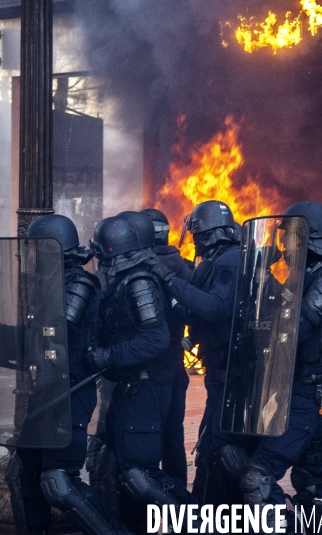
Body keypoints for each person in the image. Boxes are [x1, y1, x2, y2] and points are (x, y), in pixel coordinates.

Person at [211, 201, 322, 533]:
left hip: (310, 393)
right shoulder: (301, 273)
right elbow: (276, 315)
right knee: (303, 480)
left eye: (288, 237)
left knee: (258, 478)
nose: (282, 244)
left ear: (310, 236)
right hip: (288, 387)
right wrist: (262, 278)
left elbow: (297, 328)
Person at [5, 214, 129, 535]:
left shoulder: (79, 284)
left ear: (53, 250)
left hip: (70, 393)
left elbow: (57, 331)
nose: (28, 255)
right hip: (45, 392)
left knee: (59, 482)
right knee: (22, 473)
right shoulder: (49, 284)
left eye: (34, 248)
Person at [86, 214, 194, 530]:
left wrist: (109, 356)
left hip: (144, 387)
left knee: (141, 474)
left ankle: (200, 522)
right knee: (122, 468)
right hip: (131, 387)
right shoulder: (126, 278)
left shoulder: (139, 281)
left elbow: (155, 337)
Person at [150, 200, 241, 504]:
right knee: (212, 450)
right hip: (220, 369)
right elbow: (199, 311)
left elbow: (215, 308)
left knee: (215, 453)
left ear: (207, 234)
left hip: (229, 372)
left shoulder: (229, 260)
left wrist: (169, 280)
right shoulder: (218, 260)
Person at [139, 208, 193, 485]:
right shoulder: (184, 266)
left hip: (145, 369)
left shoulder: (142, 268)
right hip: (174, 364)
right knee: (174, 435)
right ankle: (179, 504)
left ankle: (142, 510)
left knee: (143, 438)